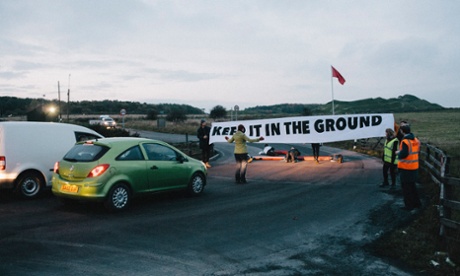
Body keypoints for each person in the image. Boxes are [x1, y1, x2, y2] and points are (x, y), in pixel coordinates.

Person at [397, 123, 422, 211]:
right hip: (414, 166)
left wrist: (398, 153)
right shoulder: (415, 139)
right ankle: (417, 203)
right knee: (412, 186)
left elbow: (404, 154)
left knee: (406, 188)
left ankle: (409, 206)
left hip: (406, 167)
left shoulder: (405, 141)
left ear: (402, 131)